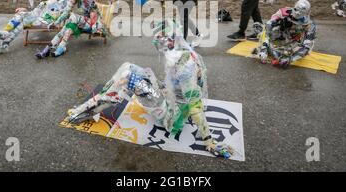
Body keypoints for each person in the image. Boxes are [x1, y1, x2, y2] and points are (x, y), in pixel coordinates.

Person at [65, 20, 235, 159]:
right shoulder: (182, 52)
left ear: (169, 40)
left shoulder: (184, 67)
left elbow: (195, 104)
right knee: (130, 68)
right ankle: (94, 104)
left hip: (171, 117)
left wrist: (208, 141)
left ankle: (86, 109)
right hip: (171, 100)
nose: (158, 45)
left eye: (160, 40)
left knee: (128, 75)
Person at [0, 0, 69, 56]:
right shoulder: (47, 0)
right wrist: (26, 11)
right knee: (21, 14)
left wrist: (59, 21)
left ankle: (4, 44)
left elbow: (66, 14)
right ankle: (5, 34)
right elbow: (36, 11)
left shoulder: (66, 2)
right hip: (37, 18)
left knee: (22, 23)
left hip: (47, 22)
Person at [34, 0, 107, 58]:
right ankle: (51, 48)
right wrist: (56, 22)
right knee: (67, 28)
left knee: (73, 17)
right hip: (83, 23)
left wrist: (95, 27)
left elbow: (94, 13)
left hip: (94, 25)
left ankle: (53, 49)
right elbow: (66, 11)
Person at [252, 0, 316, 67]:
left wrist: (291, 59)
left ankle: (275, 51)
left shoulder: (310, 24)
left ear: (306, 13)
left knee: (308, 45)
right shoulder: (283, 13)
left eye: (301, 12)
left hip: (293, 41)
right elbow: (268, 27)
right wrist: (263, 48)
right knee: (272, 28)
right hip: (278, 36)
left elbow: (308, 46)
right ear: (294, 7)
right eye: (296, 9)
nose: (297, 13)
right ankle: (266, 47)